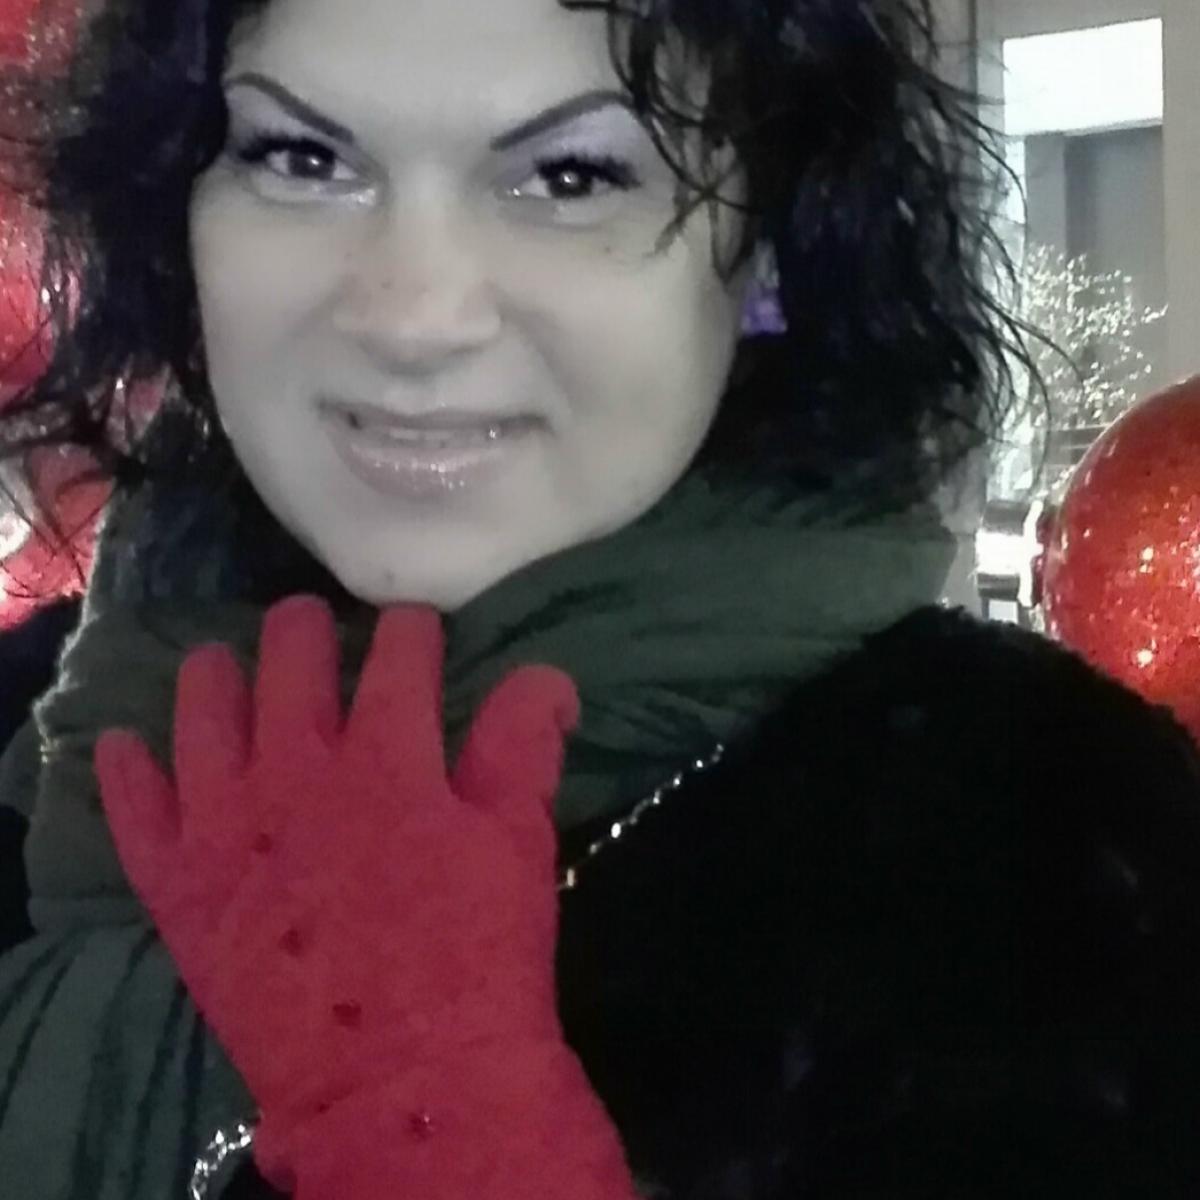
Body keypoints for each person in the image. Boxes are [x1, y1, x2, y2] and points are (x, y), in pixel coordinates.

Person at [2, 0, 1200, 1196]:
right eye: (302, 157)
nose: (412, 318)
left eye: (570, 177)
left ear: (769, 246)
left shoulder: (1047, 864)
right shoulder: (40, 731)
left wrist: (447, 1135)